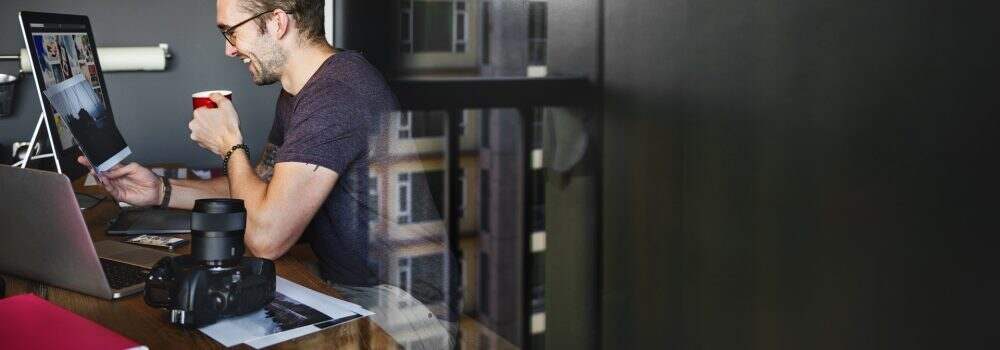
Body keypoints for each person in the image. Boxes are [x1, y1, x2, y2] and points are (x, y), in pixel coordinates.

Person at [80, 0, 398, 286]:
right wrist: (160, 191)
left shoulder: (335, 94)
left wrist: (230, 145)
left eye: (231, 31)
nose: (229, 50)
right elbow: (257, 189)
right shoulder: (299, 91)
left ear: (277, 22)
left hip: (397, 303)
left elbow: (265, 238)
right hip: (344, 281)